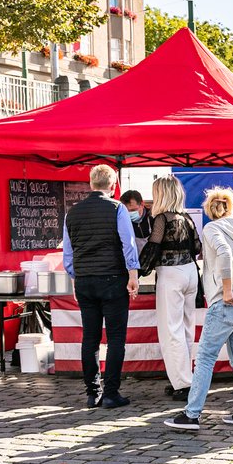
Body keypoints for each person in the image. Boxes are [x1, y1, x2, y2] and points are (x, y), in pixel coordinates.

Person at [165, 187, 233, 430]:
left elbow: (224, 254)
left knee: (206, 357)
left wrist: (227, 289)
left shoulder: (211, 229)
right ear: (231, 207)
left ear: (210, 209)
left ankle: (192, 413)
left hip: (226, 301)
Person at [62, 164, 140, 409]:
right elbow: (128, 243)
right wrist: (133, 274)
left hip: (85, 280)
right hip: (112, 279)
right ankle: (111, 393)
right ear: (113, 185)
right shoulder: (117, 208)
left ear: (90, 184)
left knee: (90, 337)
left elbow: (67, 254)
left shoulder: (71, 213)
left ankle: (92, 392)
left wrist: (77, 276)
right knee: (116, 338)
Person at [140, 176, 202, 401]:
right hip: (190, 272)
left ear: (161, 194)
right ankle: (186, 378)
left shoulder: (161, 219)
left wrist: (137, 272)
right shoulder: (186, 219)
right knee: (186, 328)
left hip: (171, 274)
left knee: (171, 330)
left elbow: (152, 249)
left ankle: (183, 383)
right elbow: (197, 247)